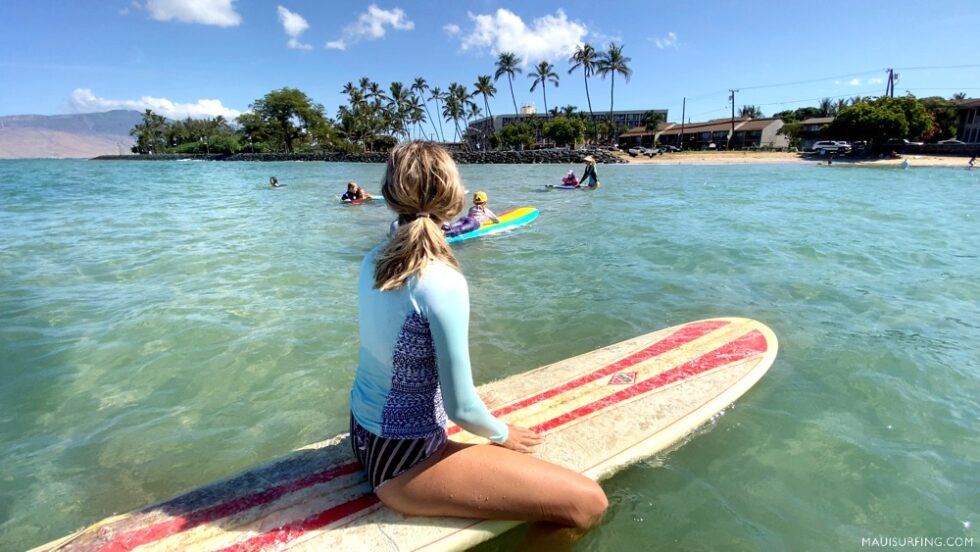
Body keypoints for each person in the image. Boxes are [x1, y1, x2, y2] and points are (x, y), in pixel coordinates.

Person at [349, 141, 607, 534]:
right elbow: (462, 411)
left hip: (363, 436)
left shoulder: (375, 260)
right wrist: (504, 434)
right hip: (404, 462)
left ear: (389, 195)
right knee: (587, 503)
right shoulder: (441, 281)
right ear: (454, 196)